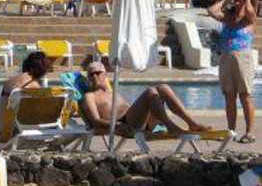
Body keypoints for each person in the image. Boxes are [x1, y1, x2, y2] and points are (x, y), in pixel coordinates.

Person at [77, 54, 211, 138]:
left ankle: (192, 124)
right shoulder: (89, 97)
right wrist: (116, 125)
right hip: (125, 126)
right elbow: (95, 121)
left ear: (105, 74)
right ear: (88, 78)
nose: (95, 76)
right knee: (150, 92)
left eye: (98, 73)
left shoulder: (112, 92)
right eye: (91, 74)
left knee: (163, 87)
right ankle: (171, 127)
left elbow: (128, 108)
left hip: (141, 121)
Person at [212, 0, 258, 143]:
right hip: (226, 57)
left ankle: (249, 132)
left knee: (245, 96)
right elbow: (212, 11)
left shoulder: (249, 17)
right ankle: (231, 130)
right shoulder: (228, 17)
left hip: (242, 58)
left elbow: (248, 10)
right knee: (229, 96)